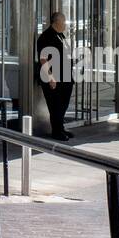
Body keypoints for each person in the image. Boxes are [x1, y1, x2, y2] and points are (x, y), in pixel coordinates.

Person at [36, 12, 74, 141]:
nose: (65, 25)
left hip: (65, 77)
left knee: (63, 105)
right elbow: (43, 59)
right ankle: (56, 132)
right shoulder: (46, 37)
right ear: (56, 22)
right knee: (55, 106)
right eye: (64, 22)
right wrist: (51, 77)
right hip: (54, 78)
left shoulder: (61, 35)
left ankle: (61, 128)